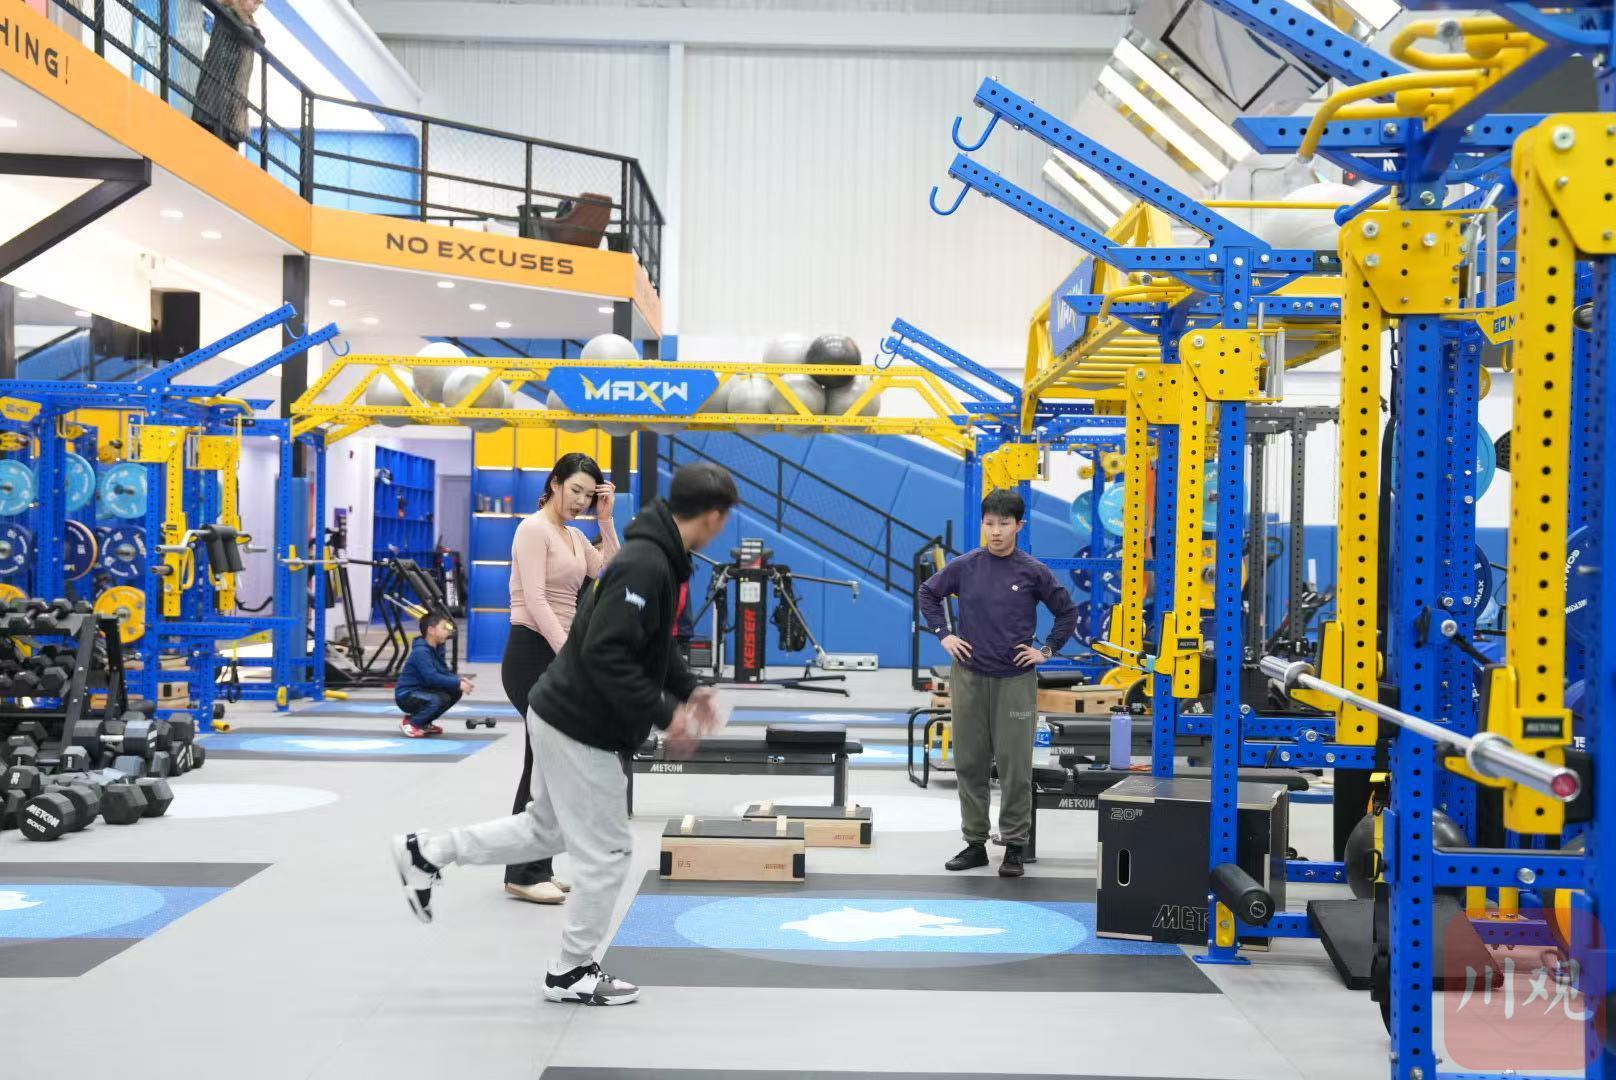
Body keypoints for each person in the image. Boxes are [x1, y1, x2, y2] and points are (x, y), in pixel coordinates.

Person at [391, 462, 739, 1006]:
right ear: (715, 517)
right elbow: (607, 654)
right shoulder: (647, 562)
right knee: (609, 850)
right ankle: (571, 971)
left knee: (545, 829)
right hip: (581, 720)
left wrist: (689, 690)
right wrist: (665, 712)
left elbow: (652, 644)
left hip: (562, 711)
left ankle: (427, 852)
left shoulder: (657, 557)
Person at [918, 488, 1078, 878]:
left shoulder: (1033, 571)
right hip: (969, 677)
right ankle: (975, 844)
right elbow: (928, 593)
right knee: (969, 763)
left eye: (1004, 524)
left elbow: (1067, 612)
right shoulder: (965, 566)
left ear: (1019, 526)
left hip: (1015, 681)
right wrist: (944, 634)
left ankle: (1014, 847)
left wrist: (1046, 651)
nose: (995, 531)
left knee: (1014, 767)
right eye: (989, 523)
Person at [501, 453, 619, 904]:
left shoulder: (573, 535)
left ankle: (535, 866)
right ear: (554, 483)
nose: (580, 501)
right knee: (545, 762)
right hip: (532, 651)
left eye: (589, 495)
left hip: (555, 653)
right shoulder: (533, 529)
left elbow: (609, 573)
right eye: (575, 490)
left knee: (550, 763)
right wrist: (570, 654)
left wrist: (606, 522)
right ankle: (523, 871)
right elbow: (535, 601)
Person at [191, 0, 264, 150]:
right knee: (209, 141)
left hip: (231, 98)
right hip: (216, 91)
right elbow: (246, 35)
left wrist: (253, 28)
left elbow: (258, 40)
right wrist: (252, 29)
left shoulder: (247, 23)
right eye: (254, 1)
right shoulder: (228, 13)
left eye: (259, 4)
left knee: (227, 141)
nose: (255, 7)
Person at [395, 612, 473, 739]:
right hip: (406, 695)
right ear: (431, 630)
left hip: (423, 690)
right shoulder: (421, 652)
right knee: (436, 700)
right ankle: (412, 723)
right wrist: (457, 683)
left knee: (455, 691)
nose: (448, 631)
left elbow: (443, 672)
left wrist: (458, 680)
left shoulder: (437, 648)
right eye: (444, 628)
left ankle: (424, 722)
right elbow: (432, 678)